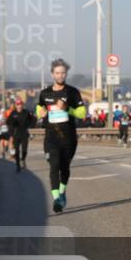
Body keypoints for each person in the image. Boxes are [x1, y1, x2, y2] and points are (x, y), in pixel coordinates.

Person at [37, 58, 87, 213]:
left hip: (69, 137)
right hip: (51, 137)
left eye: (63, 73)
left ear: (66, 74)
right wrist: (41, 112)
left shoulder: (72, 92)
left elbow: (82, 113)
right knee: (54, 166)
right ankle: (57, 199)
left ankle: (63, 191)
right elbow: (39, 108)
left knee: (65, 168)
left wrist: (67, 108)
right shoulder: (45, 93)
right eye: (57, 73)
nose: (60, 76)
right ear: (52, 74)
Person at [6, 99, 34, 173]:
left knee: (24, 150)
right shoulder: (13, 113)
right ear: (16, 105)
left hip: (24, 134)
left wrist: (30, 125)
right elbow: (8, 122)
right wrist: (12, 122)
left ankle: (23, 159)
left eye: (20, 104)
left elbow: (32, 120)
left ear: (22, 105)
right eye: (17, 104)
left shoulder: (26, 112)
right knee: (17, 151)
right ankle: (18, 165)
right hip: (16, 134)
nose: (19, 106)